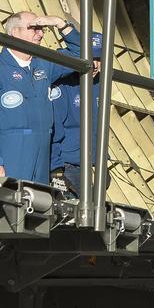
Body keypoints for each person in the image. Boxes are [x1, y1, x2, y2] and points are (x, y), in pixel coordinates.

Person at [0, 12, 80, 184]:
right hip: (11, 154)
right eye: (34, 28)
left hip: (42, 154)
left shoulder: (45, 63)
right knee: (8, 206)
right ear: (15, 32)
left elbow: (81, 54)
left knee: (37, 206)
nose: (41, 33)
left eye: (42, 28)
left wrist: (60, 23)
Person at [49, 30, 102, 197]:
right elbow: (53, 127)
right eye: (92, 58)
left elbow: (96, 125)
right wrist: (56, 170)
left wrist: (102, 160)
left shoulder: (98, 83)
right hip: (66, 164)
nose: (96, 64)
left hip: (85, 163)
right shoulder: (62, 84)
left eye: (100, 59)